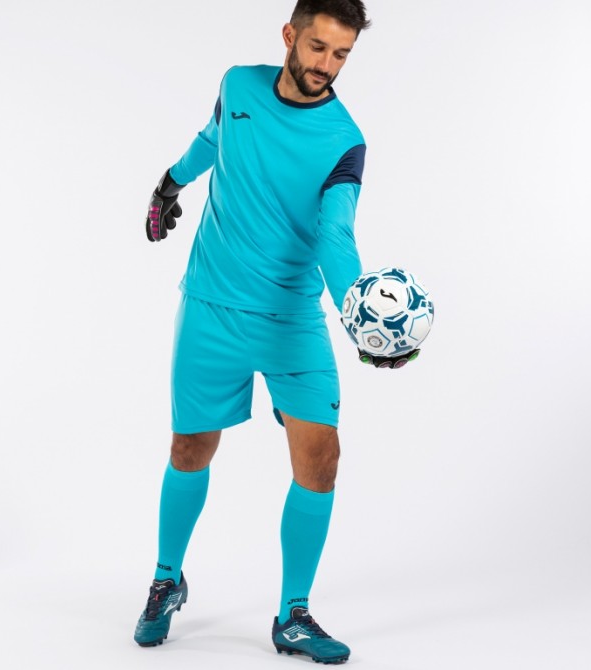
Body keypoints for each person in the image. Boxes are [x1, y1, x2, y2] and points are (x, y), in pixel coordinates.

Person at [133, 0, 408, 664]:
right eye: (318, 47)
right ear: (289, 34)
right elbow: (212, 138)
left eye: (341, 54)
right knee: (190, 448)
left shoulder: (344, 140)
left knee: (321, 456)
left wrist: (361, 317)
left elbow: (336, 237)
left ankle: (294, 614)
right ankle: (166, 580)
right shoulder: (238, 86)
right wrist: (170, 183)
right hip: (212, 308)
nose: (327, 65)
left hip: (293, 321)